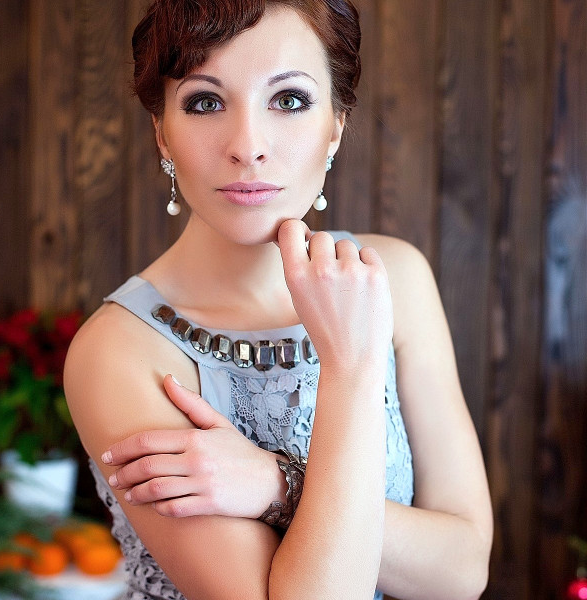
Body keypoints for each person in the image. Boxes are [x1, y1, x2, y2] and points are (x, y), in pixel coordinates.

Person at [64, 1, 493, 598]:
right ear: (162, 133)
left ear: (336, 124)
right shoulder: (118, 352)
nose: (248, 146)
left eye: (288, 99)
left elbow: (463, 570)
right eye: (205, 102)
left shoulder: (392, 277)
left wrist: (276, 485)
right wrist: (348, 366)